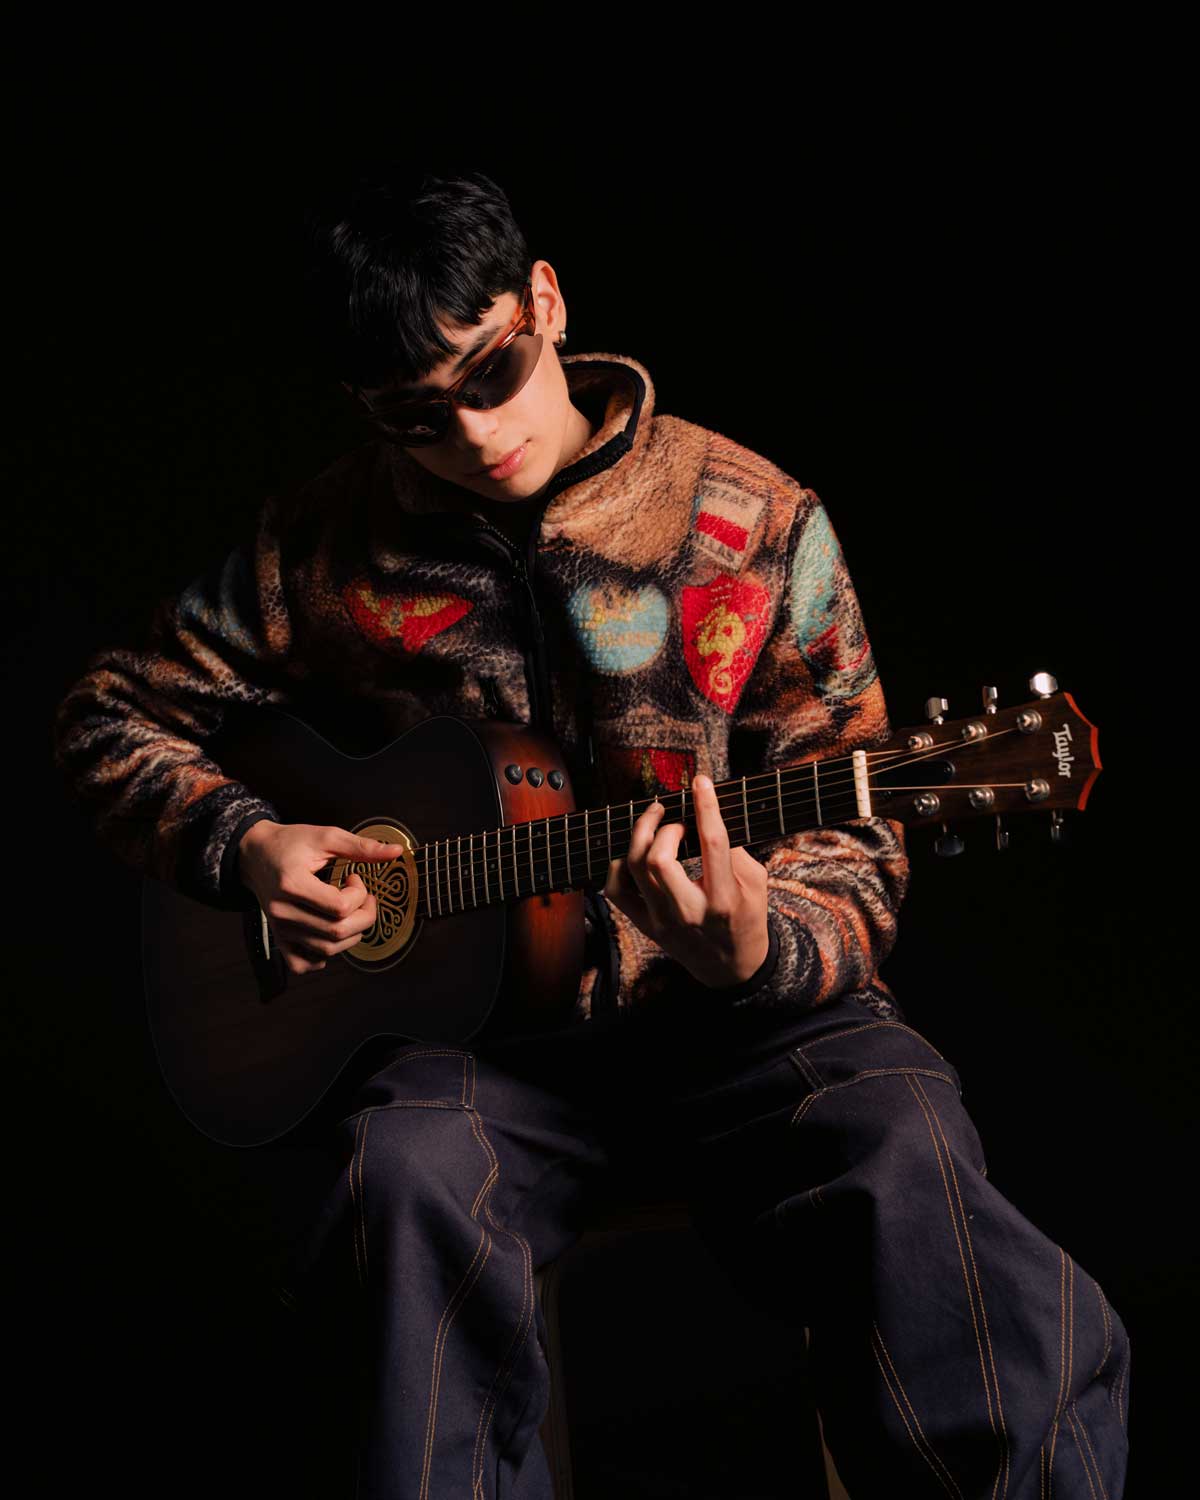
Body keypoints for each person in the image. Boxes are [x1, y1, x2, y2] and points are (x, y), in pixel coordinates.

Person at [52, 166, 1130, 1498]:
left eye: (489, 374)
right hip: (481, 1051)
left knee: (908, 1147)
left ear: (546, 303)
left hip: (746, 1027)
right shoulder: (323, 544)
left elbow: (854, 826)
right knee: (399, 1183)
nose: (472, 434)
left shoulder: (754, 516)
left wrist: (762, 945)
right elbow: (109, 713)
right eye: (414, 417)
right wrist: (245, 844)